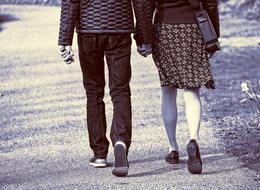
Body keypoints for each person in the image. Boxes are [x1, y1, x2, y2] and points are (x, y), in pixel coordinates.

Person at [58, 0, 152, 177]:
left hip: (88, 29)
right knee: (120, 90)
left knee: (94, 92)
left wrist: (65, 39)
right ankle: (121, 141)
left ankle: (99, 153)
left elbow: (71, 2)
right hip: (120, 30)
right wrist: (144, 38)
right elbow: (141, 2)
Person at [138, 0, 220, 174]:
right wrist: (214, 36)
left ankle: (173, 148)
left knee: (168, 90)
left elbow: (145, 5)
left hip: (164, 29)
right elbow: (210, 3)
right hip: (193, 29)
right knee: (192, 89)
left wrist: (143, 38)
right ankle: (193, 140)